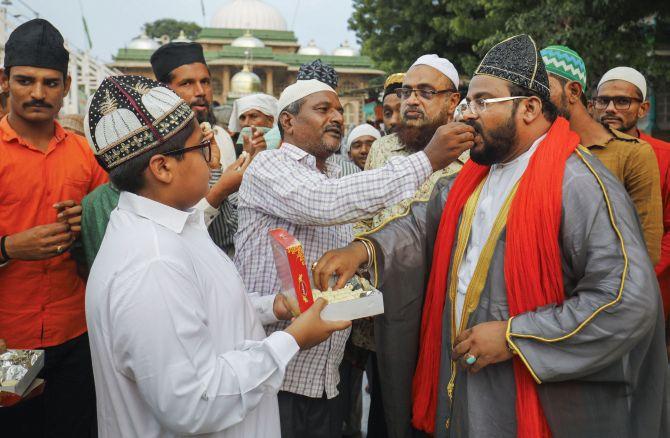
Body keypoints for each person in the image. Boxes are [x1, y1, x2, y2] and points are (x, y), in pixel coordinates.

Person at [314, 34, 669, 438]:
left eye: (483, 102)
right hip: (460, 374)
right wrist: (363, 250)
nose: (466, 114)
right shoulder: (474, 176)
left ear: (530, 108)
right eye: (468, 102)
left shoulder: (579, 183)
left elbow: (626, 299)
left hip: (528, 382)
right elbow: (420, 224)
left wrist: (516, 336)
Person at [84, 74, 350, 438]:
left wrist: (277, 307)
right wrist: (293, 339)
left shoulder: (178, 225)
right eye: (202, 148)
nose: (215, 160)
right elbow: (195, 403)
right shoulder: (152, 263)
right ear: (162, 167)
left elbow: (207, 315)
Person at [234, 78, 475, 438]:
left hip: (325, 381)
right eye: (322, 109)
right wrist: (426, 161)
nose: (335, 117)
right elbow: (326, 202)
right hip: (274, 380)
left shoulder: (334, 173)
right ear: (287, 121)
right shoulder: (268, 166)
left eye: (337, 109)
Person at [0, 19, 107, 437]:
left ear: (65, 85)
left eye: (50, 83)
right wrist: (9, 247)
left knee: (75, 428)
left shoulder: (84, 154)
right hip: (11, 339)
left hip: (75, 332)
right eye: (26, 81)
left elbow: (114, 232)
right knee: (17, 428)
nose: (38, 94)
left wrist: (91, 221)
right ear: (5, 80)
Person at [541, 46, 662, 265]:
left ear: (574, 92)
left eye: (542, 88)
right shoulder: (537, 149)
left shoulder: (634, 153)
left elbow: (646, 249)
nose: (534, 99)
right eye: (603, 101)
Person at [591, 66, 670, 322]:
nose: (610, 108)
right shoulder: (576, 152)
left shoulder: (664, 156)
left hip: (646, 288)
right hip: (587, 286)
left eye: (622, 101)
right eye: (603, 101)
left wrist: (636, 279)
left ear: (643, 109)